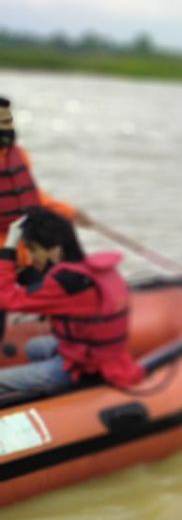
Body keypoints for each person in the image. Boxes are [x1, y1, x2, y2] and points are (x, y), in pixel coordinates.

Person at [0, 208, 143, 397]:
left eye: (34, 250)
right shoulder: (88, 270)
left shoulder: (65, 282)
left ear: (56, 249)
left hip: (83, 367)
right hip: (102, 355)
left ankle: (57, 393)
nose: (32, 258)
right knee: (33, 348)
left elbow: (6, 298)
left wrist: (9, 246)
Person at [0, 96, 91, 236]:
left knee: (59, 231)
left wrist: (69, 212)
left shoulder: (18, 154)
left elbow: (31, 196)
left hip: (18, 239)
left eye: (8, 121)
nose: (7, 127)